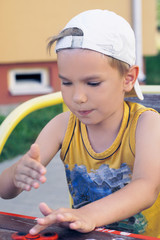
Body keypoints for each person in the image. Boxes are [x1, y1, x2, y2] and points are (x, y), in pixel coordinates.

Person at [0, 9, 160, 237]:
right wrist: (17, 174)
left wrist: (89, 215)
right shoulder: (62, 126)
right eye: (66, 82)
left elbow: (146, 188)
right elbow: (5, 191)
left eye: (92, 83)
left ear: (128, 78)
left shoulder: (147, 124)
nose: (77, 97)